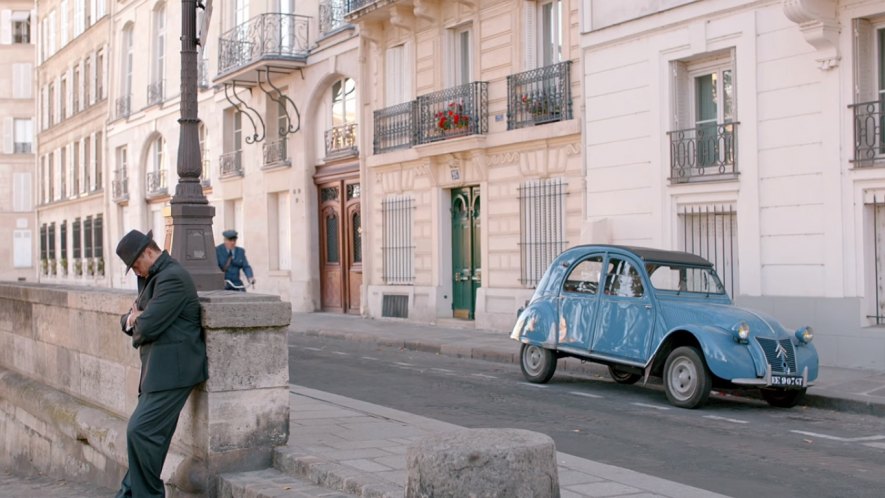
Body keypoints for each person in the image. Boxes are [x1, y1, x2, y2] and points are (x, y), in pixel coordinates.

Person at [114, 229, 208, 498]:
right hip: (157, 372)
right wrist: (135, 319)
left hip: (174, 372)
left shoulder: (173, 278)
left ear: (148, 252)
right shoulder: (151, 279)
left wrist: (137, 320)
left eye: (135, 265)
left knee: (139, 432)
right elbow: (128, 320)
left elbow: (149, 326)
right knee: (146, 440)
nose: (135, 272)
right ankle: (127, 494)